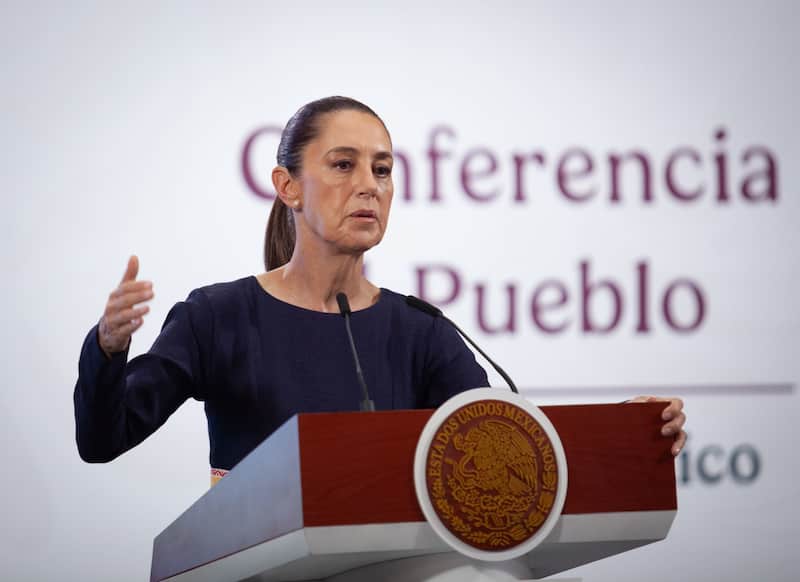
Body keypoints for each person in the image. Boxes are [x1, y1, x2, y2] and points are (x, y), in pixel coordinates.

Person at [74, 96, 687, 484]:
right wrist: (108, 348)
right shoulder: (219, 316)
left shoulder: (418, 329)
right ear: (288, 186)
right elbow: (103, 442)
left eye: (383, 169)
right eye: (344, 165)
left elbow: (502, 452)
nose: (369, 185)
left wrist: (621, 439)